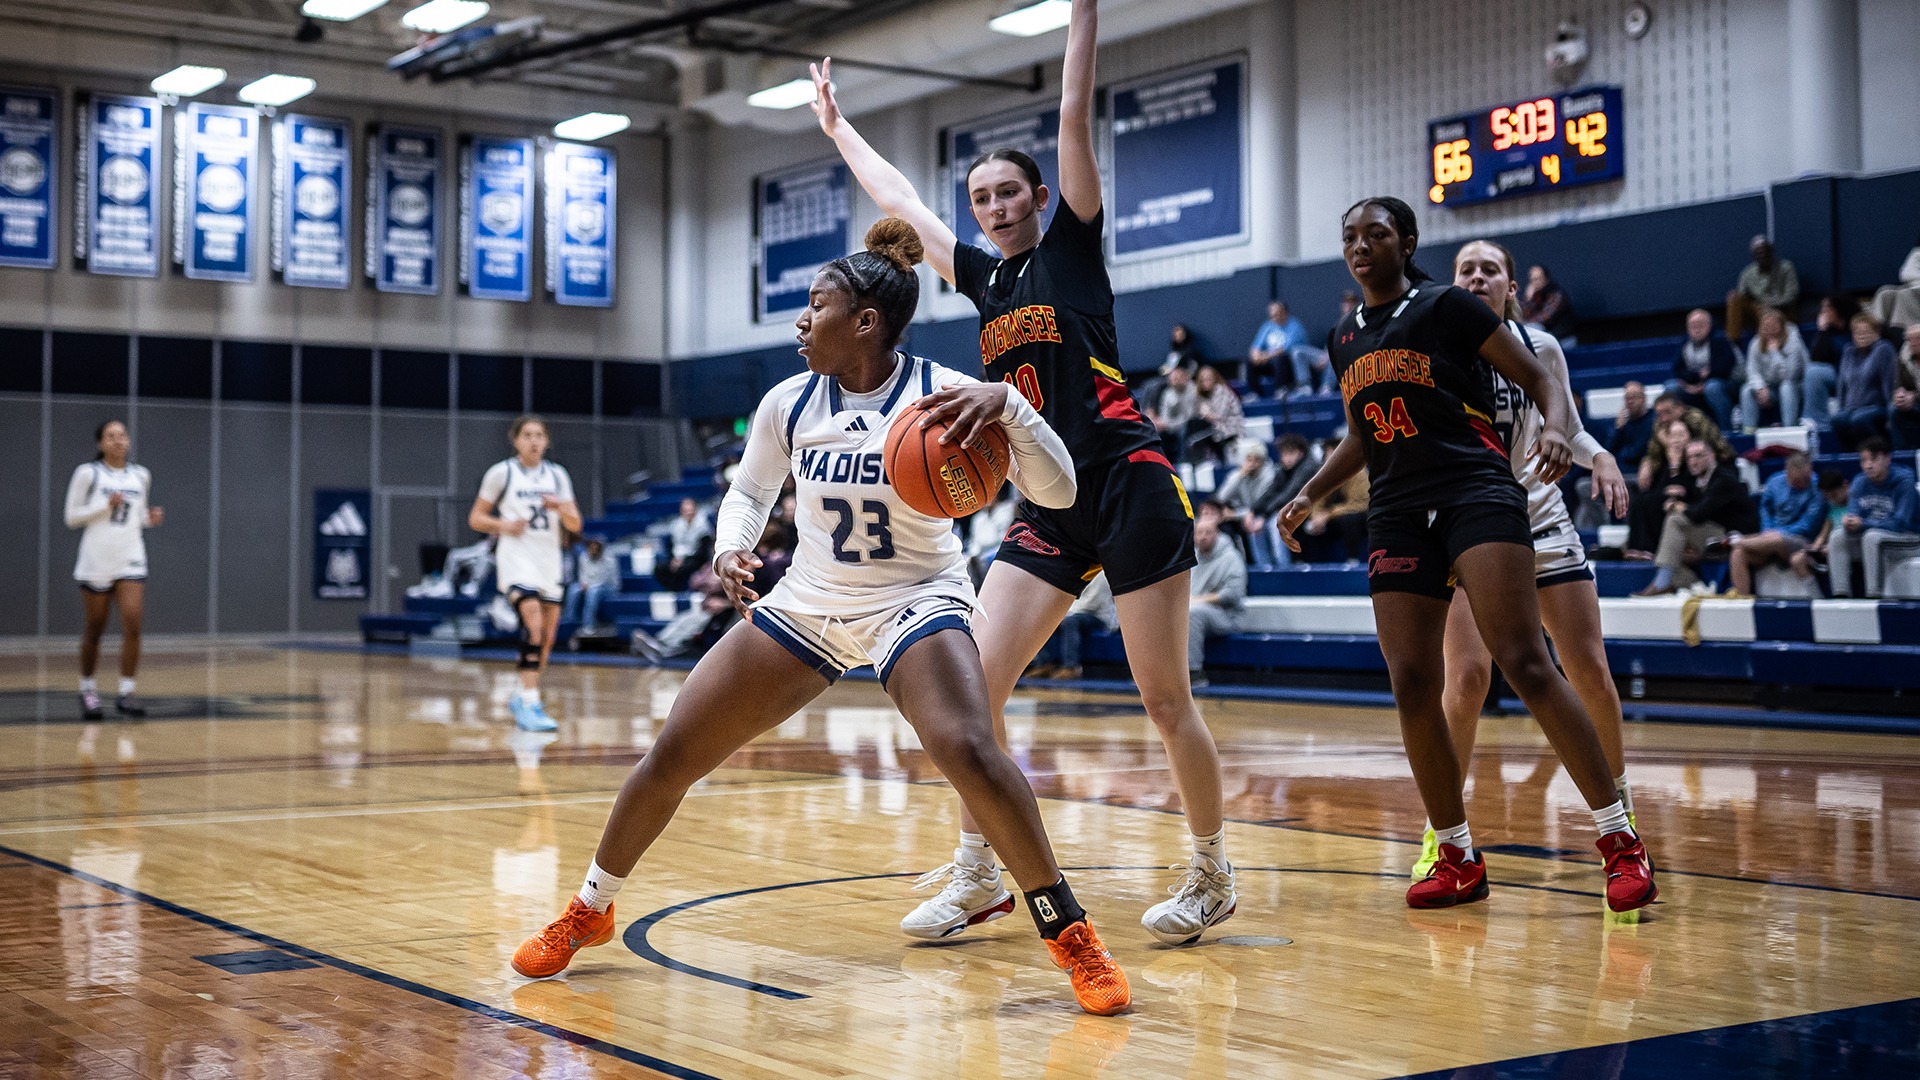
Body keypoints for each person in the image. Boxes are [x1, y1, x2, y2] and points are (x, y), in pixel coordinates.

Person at [512, 224, 1130, 1015]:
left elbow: (1061, 492)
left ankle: (1068, 930)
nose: (801, 322)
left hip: (916, 597)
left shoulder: (942, 393)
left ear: (864, 322)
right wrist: (731, 548)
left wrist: (1009, 404)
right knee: (673, 750)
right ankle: (590, 908)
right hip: (809, 600)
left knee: (970, 747)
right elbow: (747, 492)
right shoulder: (790, 401)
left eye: (816, 307)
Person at [811, 0, 1236, 946]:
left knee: (1165, 699)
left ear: (1041, 199)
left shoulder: (1074, 250)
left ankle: (1211, 872)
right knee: (977, 693)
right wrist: (840, 129)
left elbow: (1074, 112)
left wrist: (1081, 14)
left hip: (1128, 481)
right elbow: (899, 205)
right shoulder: (980, 277)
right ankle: (979, 876)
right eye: (982, 199)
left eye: (1009, 193)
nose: (995, 208)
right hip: (1047, 498)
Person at [1275, 195, 1656, 913]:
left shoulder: (1448, 305)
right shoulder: (1342, 337)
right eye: (1349, 235)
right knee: (1414, 681)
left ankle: (1618, 838)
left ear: (1406, 241)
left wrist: (1554, 429)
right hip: (1394, 510)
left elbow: (1542, 376)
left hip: (1475, 491)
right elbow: (1362, 433)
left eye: (1376, 234)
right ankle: (1455, 854)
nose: (1360, 246)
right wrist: (1311, 493)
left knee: (1525, 658)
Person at [1415, 240, 1634, 879]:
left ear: (1512, 285)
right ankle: (1444, 831)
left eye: (1490, 270)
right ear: (1452, 284)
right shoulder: (1439, 347)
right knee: (1468, 681)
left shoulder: (1540, 347)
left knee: (1588, 665)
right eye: (1466, 270)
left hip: (1538, 515)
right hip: (1469, 522)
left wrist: (1601, 456)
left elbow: (1561, 422)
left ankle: (1619, 808)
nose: (1478, 276)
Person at [469, 415, 583, 733]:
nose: (534, 441)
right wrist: (503, 525)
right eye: (527, 435)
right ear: (516, 440)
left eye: (539, 435)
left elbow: (576, 525)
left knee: (546, 639)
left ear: (546, 441)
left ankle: (524, 695)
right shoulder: (502, 473)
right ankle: (531, 700)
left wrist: (562, 507)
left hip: (549, 562)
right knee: (532, 624)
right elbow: (476, 518)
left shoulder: (557, 476)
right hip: (516, 559)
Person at [65, 420, 162, 720]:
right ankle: (88, 689)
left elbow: (136, 517)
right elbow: (71, 518)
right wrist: (105, 507)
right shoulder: (88, 473)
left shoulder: (140, 475)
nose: (118, 441)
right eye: (111, 436)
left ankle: (126, 692)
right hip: (96, 560)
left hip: (130, 557)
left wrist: (149, 518)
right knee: (95, 627)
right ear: (100, 443)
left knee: (132, 622)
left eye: (122, 435)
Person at [1635, 437, 1761, 596]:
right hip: (1713, 534)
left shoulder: (1723, 480)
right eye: (1689, 457)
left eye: (1699, 456)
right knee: (1672, 547)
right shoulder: (1697, 480)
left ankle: (1661, 582)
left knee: (1675, 520)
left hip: (1735, 537)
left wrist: (1678, 506)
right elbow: (1679, 500)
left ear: (1712, 456)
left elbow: (1697, 514)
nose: (1693, 461)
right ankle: (1696, 585)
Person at [1828, 438, 1920, 598]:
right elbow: (1853, 514)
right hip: (1874, 538)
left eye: (1873, 459)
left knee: (1872, 537)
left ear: (1887, 459)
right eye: (1863, 460)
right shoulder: (1859, 482)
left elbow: (1900, 524)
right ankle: (1841, 595)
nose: (1868, 465)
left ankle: (1874, 596)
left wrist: (1863, 523)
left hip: (1910, 539)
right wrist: (1849, 521)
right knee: (1837, 536)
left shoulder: (1904, 482)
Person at [1727, 453, 1825, 596]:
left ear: (1810, 470)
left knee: (1776, 539)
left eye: (1805, 479)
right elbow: (1765, 510)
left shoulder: (1817, 488)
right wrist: (1767, 530)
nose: (1802, 484)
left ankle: (1737, 540)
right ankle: (1743, 604)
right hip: (1769, 539)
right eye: (1796, 481)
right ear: (1787, 474)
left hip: (1800, 541)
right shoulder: (1774, 482)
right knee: (1738, 553)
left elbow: (1807, 525)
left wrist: (1776, 533)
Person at [1187, 510, 1245, 688]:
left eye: (1208, 532)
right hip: (1195, 607)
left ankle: (1195, 673)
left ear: (1217, 534)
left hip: (1227, 615)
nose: (1203, 537)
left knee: (1192, 612)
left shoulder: (1230, 557)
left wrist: (1198, 600)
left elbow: (1232, 594)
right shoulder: (1191, 557)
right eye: (1199, 532)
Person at [1627, 420, 1699, 555]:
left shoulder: (1694, 457)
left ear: (1689, 437)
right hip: (1666, 500)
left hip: (1690, 503)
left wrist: (1675, 466)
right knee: (1641, 500)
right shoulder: (1664, 459)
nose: (1676, 440)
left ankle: (1649, 549)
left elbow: (1682, 490)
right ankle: (1637, 548)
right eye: (1673, 436)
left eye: (1681, 435)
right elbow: (1663, 488)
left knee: (1653, 501)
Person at [1026, 571, 1115, 680]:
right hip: (1074, 612)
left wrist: (1064, 614)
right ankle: (1044, 664)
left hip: (1098, 617)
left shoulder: (1101, 574)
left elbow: (1091, 604)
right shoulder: (1075, 570)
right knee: (1044, 620)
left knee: (1070, 622)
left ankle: (1071, 667)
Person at [1829, 313, 1899, 451]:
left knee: (1859, 419)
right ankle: (1853, 455)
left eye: (1866, 332)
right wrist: (1841, 407)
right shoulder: (1848, 351)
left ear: (1877, 333)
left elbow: (1889, 383)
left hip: (1877, 406)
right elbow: (1842, 385)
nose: (1861, 335)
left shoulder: (1884, 349)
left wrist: (1890, 415)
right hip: (1852, 408)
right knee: (1837, 419)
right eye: (1857, 332)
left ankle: (1877, 451)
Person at [1251, 434, 1316, 567]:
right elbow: (1271, 492)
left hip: (1309, 510)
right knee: (1254, 524)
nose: (1286, 458)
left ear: (1301, 453)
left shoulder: (1308, 468)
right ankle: (1265, 567)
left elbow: (1290, 495)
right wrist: (1253, 511)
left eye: (1290, 453)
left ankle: (1283, 567)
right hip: (1289, 509)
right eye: (1283, 454)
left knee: (1276, 523)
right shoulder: (1283, 470)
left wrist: (1264, 515)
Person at [1739, 307, 1809, 429]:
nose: (1770, 330)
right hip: (1770, 388)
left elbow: (1791, 375)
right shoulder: (1756, 343)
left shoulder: (1793, 341)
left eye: (1774, 325)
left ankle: (1790, 428)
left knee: (1786, 387)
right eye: (1766, 326)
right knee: (1747, 390)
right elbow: (1752, 370)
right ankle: (1749, 432)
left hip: (1796, 386)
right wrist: (1760, 387)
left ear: (1782, 326)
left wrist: (1775, 353)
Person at [1669, 308, 1737, 430]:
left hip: (1722, 385)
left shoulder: (1721, 342)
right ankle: (1677, 431)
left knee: (1712, 387)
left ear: (1710, 325)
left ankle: (1726, 430)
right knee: (1670, 387)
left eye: (1701, 325)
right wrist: (1697, 378)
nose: (1697, 329)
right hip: (1692, 386)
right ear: (1687, 328)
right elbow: (1678, 370)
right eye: (1693, 325)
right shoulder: (1684, 345)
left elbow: (1725, 369)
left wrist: (1705, 380)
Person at [1250, 300, 1331, 397]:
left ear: (1284, 312)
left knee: (1280, 359)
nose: (1274, 318)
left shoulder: (1295, 326)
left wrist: (1264, 357)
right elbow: (1255, 348)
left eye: (1276, 314)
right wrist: (1256, 357)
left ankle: (1281, 390)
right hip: (1270, 363)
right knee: (1250, 363)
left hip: (1290, 366)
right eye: (1271, 315)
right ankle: (1255, 394)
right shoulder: (1267, 326)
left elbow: (1284, 350)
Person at [1726, 234, 1799, 341]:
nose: (1762, 256)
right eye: (1758, 254)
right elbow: (1742, 296)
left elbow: (1792, 296)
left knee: (1765, 311)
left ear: (1771, 252)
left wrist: (1772, 305)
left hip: (1782, 311)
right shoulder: (1748, 273)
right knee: (1734, 298)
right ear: (1753, 256)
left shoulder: (1785, 267)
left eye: (1764, 252)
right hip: (1757, 311)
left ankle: (1767, 342)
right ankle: (1733, 343)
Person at [1214, 440, 1275, 562]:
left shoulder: (1269, 476)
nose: (1252, 464)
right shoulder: (1238, 474)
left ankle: (1267, 565)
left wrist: (1236, 514)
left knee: (1256, 525)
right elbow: (1220, 497)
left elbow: (1260, 505)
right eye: (1249, 459)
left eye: (1256, 460)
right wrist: (1240, 475)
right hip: (1246, 515)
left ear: (1262, 462)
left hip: (1266, 513)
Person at [1791, 470, 1854, 589]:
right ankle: (1816, 600)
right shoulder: (1832, 507)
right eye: (1828, 498)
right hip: (1829, 549)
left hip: (1850, 548)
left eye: (1834, 495)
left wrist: (1831, 547)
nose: (1832, 500)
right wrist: (1813, 548)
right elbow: (1823, 533)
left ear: (1845, 486)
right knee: (1797, 559)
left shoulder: (1856, 503)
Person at [1804, 292, 1858, 424]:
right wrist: (1822, 330)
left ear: (1839, 308)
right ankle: (1816, 422)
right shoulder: (1828, 331)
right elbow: (1816, 357)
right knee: (1814, 371)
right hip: (1837, 373)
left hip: (1858, 372)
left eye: (1827, 308)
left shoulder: (1856, 325)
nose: (1823, 312)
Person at [1187, 365, 1245, 466]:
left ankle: (1203, 459)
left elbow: (1219, 416)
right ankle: (1194, 459)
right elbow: (1191, 413)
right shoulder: (1200, 396)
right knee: (1192, 425)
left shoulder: (1222, 391)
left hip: (1230, 428)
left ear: (1215, 378)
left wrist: (1205, 413)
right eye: (1203, 380)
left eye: (1209, 379)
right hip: (1214, 428)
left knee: (1198, 430)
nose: (1206, 382)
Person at [563, 536, 620, 632]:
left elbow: (605, 579)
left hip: (608, 586)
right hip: (589, 584)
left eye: (595, 548)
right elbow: (583, 573)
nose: (592, 550)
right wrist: (584, 582)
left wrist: (589, 585)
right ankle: (569, 620)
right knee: (573, 589)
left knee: (592, 592)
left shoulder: (609, 560)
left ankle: (588, 625)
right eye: (590, 547)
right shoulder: (584, 557)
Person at [656, 497, 713, 591]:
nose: (688, 513)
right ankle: (671, 590)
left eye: (690, 510)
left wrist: (684, 560)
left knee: (684, 568)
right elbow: (671, 545)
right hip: (677, 558)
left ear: (695, 510)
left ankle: (679, 591)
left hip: (695, 559)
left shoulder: (703, 526)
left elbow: (703, 551)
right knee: (660, 568)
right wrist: (674, 559)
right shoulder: (676, 525)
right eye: (685, 510)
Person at [1867, 233, 1920, 330]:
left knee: (1905, 293)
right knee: (1885, 292)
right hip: (1914, 288)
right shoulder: (1917, 252)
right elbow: (1905, 274)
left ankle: (1899, 332)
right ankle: (1874, 330)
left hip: (1913, 291)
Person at [1149, 364, 1197, 463]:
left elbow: (1189, 417)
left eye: (1179, 378)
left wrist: (1168, 424)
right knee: (1159, 434)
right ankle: (1162, 463)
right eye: (1173, 379)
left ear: (1185, 377)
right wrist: (1164, 424)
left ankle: (1184, 462)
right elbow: (1164, 417)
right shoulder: (1168, 394)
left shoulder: (1193, 390)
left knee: (1183, 430)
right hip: (1173, 426)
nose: (1176, 381)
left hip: (1191, 424)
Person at [1520, 263, 1577, 344]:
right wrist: (1527, 299)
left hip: (1563, 338)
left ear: (1546, 279)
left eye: (1537, 279)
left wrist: (1524, 323)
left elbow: (1545, 317)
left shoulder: (1556, 294)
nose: (1534, 283)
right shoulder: (1535, 295)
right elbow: (1523, 315)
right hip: (1548, 338)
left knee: (1533, 328)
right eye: (1531, 280)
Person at [1608, 381, 1654, 477]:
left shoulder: (1653, 420)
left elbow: (1639, 452)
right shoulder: (1623, 423)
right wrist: (1618, 429)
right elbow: (1608, 451)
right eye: (1627, 398)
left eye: (1634, 397)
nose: (1630, 401)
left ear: (1643, 398)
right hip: (1621, 469)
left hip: (1640, 469)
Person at [1892, 324, 1920, 451]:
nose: (1913, 343)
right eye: (1909, 339)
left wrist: (1913, 396)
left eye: (1918, 339)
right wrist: (1900, 395)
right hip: (1914, 403)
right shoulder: (1903, 359)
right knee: (1893, 409)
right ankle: (1900, 452)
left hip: (1915, 399)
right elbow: (1898, 384)